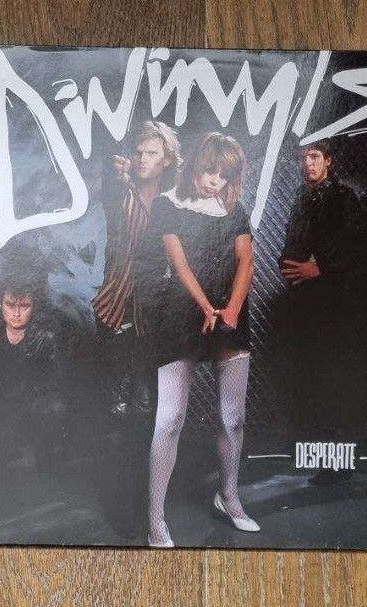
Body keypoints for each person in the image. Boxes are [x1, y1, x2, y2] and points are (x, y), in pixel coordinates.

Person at [136, 132, 258, 547]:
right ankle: (155, 519)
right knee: (169, 420)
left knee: (233, 417)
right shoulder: (166, 204)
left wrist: (232, 309)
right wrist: (205, 306)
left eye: (224, 175)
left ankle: (229, 497)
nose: (215, 181)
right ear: (194, 166)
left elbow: (246, 260)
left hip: (229, 314)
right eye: (210, 171)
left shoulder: (234, 208)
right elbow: (179, 262)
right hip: (181, 314)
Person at [275, 139, 367, 475]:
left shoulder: (342, 196)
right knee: (310, 375)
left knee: (334, 376)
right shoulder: (300, 197)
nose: (308, 163)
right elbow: (293, 241)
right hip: (306, 303)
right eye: (303, 157)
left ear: (328, 161)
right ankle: (317, 453)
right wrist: (286, 264)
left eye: (314, 156)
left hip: (336, 304)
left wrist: (320, 268)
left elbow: (358, 246)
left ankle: (338, 460)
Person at [92, 121, 181, 413]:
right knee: (114, 399)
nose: (143, 159)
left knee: (146, 398)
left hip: (152, 305)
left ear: (166, 159)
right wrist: (115, 174)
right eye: (139, 152)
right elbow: (112, 189)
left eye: (152, 153)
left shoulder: (174, 202)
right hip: (115, 298)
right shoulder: (123, 192)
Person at [0, 271, 68, 472]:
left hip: (33, 403)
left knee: (57, 407)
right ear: (0, 304)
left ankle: (43, 457)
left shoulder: (47, 338)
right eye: (10, 305)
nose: (16, 313)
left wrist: (27, 389)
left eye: (24, 306)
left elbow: (58, 377)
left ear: (34, 307)